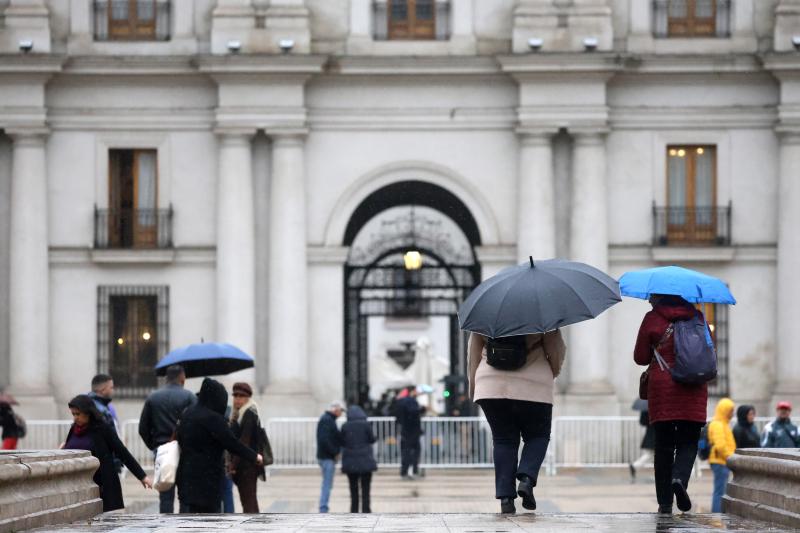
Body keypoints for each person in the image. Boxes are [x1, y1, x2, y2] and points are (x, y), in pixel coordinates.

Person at [468, 329, 566, 514]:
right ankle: (527, 479)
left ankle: (506, 498)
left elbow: (473, 356)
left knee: (503, 440)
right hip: (534, 385)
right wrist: (551, 372)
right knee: (538, 435)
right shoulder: (542, 315)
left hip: (490, 386)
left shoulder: (486, 315)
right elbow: (556, 350)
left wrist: (474, 388)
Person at [634, 294, 708, 514]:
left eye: (652, 297)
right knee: (689, 442)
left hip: (663, 389)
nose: (649, 300)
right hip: (693, 388)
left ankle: (665, 503)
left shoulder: (652, 319)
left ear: (660, 297)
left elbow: (640, 357)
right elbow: (709, 352)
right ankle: (679, 479)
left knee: (664, 447)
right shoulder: (698, 318)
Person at [176, 378, 263, 513]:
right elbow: (232, 443)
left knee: (191, 517)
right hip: (207, 479)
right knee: (210, 519)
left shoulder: (188, 413)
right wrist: (254, 456)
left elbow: (179, 437)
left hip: (186, 476)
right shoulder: (214, 419)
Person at [63, 394, 152, 511]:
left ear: (88, 413)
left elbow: (122, 451)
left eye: (78, 414)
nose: (75, 418)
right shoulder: (74, 429)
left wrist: (142, 476)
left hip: (100, 485)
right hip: (77, 485)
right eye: (73, 414)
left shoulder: (102, 429)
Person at [138, 364, 197, 513]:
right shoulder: (189, 396)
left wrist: (155, 445)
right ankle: (184, 528)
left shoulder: (153, 397)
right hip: (185, 452)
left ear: (166, 378)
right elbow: (195, 424)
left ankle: (165, 527)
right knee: (186, 495)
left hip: (162, 451)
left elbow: (143, 428)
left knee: (165, 496)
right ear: (182, 377)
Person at [228, 382, 266, 513]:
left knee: (249, 502)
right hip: (243, 465)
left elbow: (243, 442)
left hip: (247, 466)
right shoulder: (239, 414)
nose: (238, 399)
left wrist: (233, 465)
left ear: (248, 398)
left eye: (241, 396)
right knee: (247, 501)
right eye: (235, 396)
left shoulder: (249, 414)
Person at [340, 405, 377, 513]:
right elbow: (372, 439)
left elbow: (342, 441)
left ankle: (354, 510)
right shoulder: (366, 425)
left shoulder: (345, 426)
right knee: (366, 489)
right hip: (366, 461)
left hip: (351, 462)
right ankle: (366, 510)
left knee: (353, 489)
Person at [708, 398, 736, 513]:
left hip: (722, 461)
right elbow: (720, 446)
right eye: (730, 410)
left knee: (720, 490)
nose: (732, 413)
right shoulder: (718, 424)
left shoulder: (722, 423)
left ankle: (718, 514)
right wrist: (731, 458)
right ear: (724, 410)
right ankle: (717, 515)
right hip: (721, 461)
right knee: (720, 491)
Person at [316, 401, 344, 513]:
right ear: (336, 410)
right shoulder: (327, 420)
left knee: (327, 483)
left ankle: (324, 507)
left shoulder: (328, 419)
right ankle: (323, 508)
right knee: (327, 484)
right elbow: (325, 440)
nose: (342, 413)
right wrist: (335, 452)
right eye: (341, 411)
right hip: (327, 457)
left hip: (326, 456)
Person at [395, 386, 424, 479]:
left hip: (407, 430)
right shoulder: (410, 401)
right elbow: (413, 413)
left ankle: (407, 472)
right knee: (413, 452)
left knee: (408, 452)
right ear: (412, 391)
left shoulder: (402, 401)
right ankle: (410, 472)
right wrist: (421, 409)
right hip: (412, 431)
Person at [629, 410, 655, 481]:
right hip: (654, 435)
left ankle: (635, 466)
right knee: (651, 455)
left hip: (650, 434)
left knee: (652, 455)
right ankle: (635, 466)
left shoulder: (645, 409)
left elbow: (642, 422)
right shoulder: (649, 408)